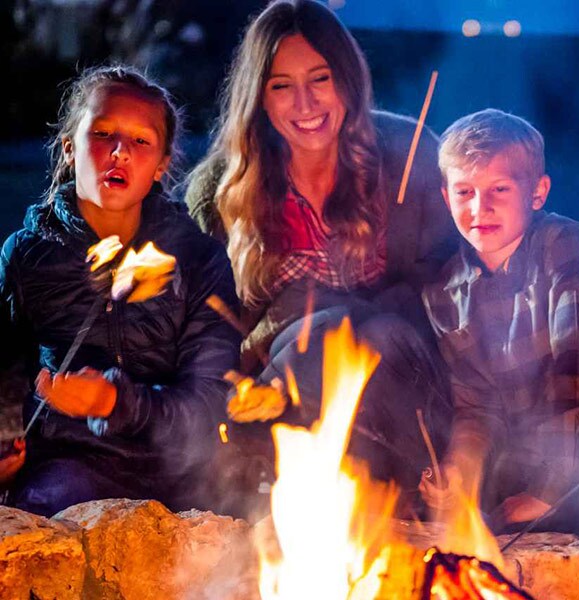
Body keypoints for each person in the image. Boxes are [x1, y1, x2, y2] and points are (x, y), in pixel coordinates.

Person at [183, 0, 456, 507]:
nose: (305, 103)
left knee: (357, 327)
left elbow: (450, 297)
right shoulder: (219, 192)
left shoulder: (408, 156)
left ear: (348, 80)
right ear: (259, 98)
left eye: (320, 79)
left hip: (407, 405)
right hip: (282, 424)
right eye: (281, 85)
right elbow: (208, 334)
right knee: (318, 323)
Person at [0, 65, 241, 517]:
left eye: (141, 141)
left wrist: (116, 403)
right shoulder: (26, 258)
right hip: (70, 467)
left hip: (183, 475)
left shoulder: (197, 261)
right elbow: (7, 380)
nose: (121, 152)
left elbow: (211, 404)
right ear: (69, 148)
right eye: (103, 133)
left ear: (161, 165)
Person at [418, 109, 579, 535]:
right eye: (464, 192)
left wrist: (549, 492)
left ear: (538, 192)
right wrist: (459, 473)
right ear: (446, 195)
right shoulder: (443, 292)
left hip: (577, 470)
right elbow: (475, 408)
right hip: (504, 470)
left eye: (499, 189)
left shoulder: (560, 245)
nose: (480, 207)